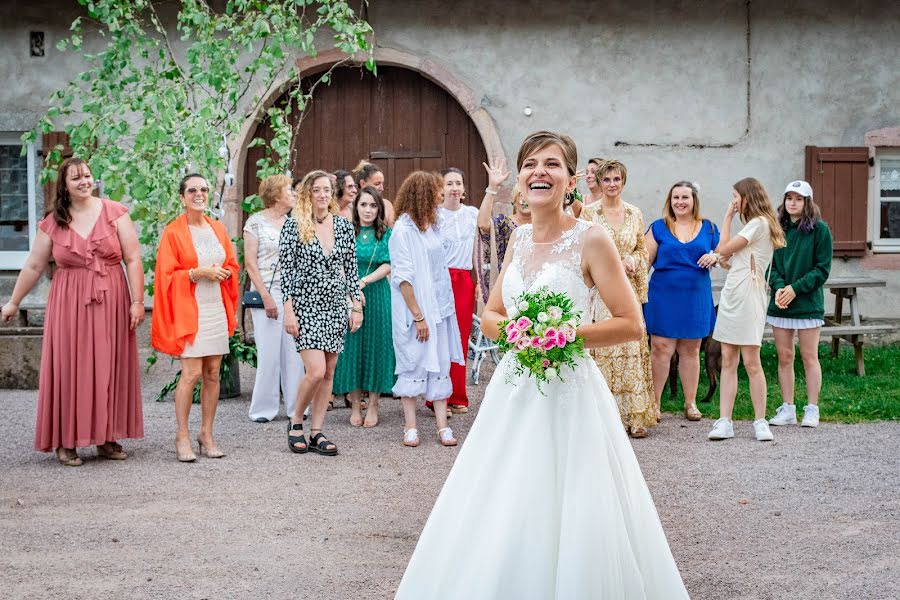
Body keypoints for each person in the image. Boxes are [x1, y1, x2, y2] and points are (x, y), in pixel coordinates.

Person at [395, 131, 690, 599]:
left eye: (552, 164)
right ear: (521, 181)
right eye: (531, 164)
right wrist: (519, 333)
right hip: (515, 390)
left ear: (572, 179)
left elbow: (631, 323)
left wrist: (563, 335)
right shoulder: (518, 242)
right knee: (503, 498)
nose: (540, 172)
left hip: (569, 391)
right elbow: (491, 317)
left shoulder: (592, 239)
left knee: (572, 502)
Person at [0, 158, 144, 466]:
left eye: (88, 176)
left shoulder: (115, 212)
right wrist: (13, 302)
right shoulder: (55, 221)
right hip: (69, 303)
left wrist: (136, 301)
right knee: (70, 369)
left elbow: (132, 259)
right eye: (76, 178)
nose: (84, 181)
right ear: (64, 185)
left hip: (111, 299)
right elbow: (35, 265)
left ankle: (106, 437)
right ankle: (66, 441)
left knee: (108, 367)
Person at [280, 170, 362, 457]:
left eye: (327, 190)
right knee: (314, 370)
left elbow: (351, 270)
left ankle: (316, 431)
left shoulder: (342, 226)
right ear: (308, 193)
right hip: (306, 306)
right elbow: (286, 273)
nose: (323, 195)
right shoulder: (294, 226)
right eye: (317, 190)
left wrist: (356, 305)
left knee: (328, 372)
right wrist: (288, 311)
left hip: (335, 306)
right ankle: (295, 421)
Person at [579, 159, 657, 437]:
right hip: (600, 292)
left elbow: (641, 248)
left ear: (623, 181)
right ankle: (605, 416)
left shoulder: (635, 213)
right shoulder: (588, 213)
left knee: (631, 348)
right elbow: (582, 249)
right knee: (604, 349)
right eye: (607, 179)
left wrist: (634, 260)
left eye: (617, 179)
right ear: (599, 182)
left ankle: (635, 416)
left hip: (628, 289)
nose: (612, 184)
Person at [389, 171, 464, 448]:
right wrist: (418, 316)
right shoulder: (402, 231)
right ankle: (410, 426)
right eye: (435, 193)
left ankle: (442, 426)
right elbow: (403, 279)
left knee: (440, 363)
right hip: (415, 312)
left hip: (440, 309)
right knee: (413, 363)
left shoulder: (431, 227)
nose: (440, 197)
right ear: (422, 195)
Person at [708, 177, 786, 442]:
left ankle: (760, 421)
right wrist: (724, 250)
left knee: (752, 361)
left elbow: (724, 249)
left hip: (750, 295)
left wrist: (727, 218)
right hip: (733, 294)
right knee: (728, 359)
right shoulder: (750, 226)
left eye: (735, 197)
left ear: (747, 197)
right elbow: (726, 254)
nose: (733, 201)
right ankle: (725, 421)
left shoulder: (759, 223)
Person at [644, 181, 720, 421]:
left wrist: (715, 256)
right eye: (675, 197)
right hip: (663, 295)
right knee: (660, 349)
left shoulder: (708, 228)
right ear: (670, 201)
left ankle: (690, 403)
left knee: (691, 349)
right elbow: (645, 261)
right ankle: (654, 404)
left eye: (685, 197)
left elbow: (725, 257)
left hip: (695, 296)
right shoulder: (659, 227)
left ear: (694, 200)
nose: (680, 202)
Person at [767, 180, 833, 428]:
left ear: (808, 202)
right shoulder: (777, 229)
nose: (793, 202)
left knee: (809, 356)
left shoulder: (820, 230)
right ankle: (788, 408)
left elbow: (822, 269)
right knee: (784, 357)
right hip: (781, 303)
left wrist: (795, 289)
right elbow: (769, 265)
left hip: (807, 303)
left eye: (799, 198)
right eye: (789, 198)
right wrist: (780, 287)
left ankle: (812, 408)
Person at [243, 174, 305, 423]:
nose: (293, 193)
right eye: (289, 189)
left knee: (294, 352)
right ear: (276, 194)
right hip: (266, 291)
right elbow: (250, 263)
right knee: (269, 352)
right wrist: (267, 298)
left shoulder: (295, 223)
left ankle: (296, 408)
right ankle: (263, 409)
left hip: (294, 294)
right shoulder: (255, 222)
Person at [332, 187, 395, 427]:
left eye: (372, 206)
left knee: (377, 348)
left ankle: (375, 403)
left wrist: (364, 281)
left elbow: (388, 264)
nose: (368, 210)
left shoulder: (385, 234)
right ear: (356, 208)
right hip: (349, 296)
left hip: (377, 294)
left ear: (379, 209)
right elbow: (338, 263)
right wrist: (351, 288)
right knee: (353, 348)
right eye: (363, 205)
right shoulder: (346, 232)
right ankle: (356, 404)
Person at [428, 167, 478, 414]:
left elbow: (483, 241)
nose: (454, 188)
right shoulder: (433, 216)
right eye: (449, 183)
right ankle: (437, 397)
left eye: (458, 183)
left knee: (460, 338)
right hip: (441, 280)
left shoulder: (472, 214)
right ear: (441, 189)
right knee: (440, 338)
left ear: (464, 189)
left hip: (464, 281)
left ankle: (457, 394)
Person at [476, 158, 530, 301]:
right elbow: (483, 224)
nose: (524, 200)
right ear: (513, 199)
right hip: (508, 289)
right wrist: (492, 188)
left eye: (528, 196)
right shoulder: (504, 223)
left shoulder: (543, 225)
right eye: (520, 195)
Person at [354, 160, 395, 226]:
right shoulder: (350, 205)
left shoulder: (387, 205)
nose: (382, 188)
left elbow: (393, 233)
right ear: (363, 183)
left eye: (382, 183)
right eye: (377, 184)